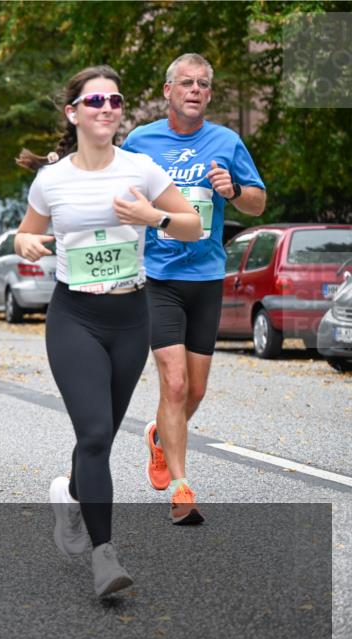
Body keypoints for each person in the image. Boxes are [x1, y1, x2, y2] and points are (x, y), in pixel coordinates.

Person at [15, 65, 200, 597]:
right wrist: (24, 244)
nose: (107, 108)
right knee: (94, 434)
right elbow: (27, 235)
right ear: (73, 112)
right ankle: (104, 556)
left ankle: (71, 495)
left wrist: (151, 216)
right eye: (96, 100)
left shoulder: (141, 169)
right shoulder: (51, 180)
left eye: (116, 101)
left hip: (130, 316)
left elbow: (194, 225)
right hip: (74, 316)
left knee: (102, 436)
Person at [121, 53, 266, 525]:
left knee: (196, 390)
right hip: (158, 277)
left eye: (203, 84)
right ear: (168, 91)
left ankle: (160, 437)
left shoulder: (227, 141)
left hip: (205, 278)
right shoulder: (142, 141)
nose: (196, 90)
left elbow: (259, 203)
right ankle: (182, 489)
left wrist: (231, 192)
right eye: (187, 82)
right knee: (175, 382)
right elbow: (117, 193)